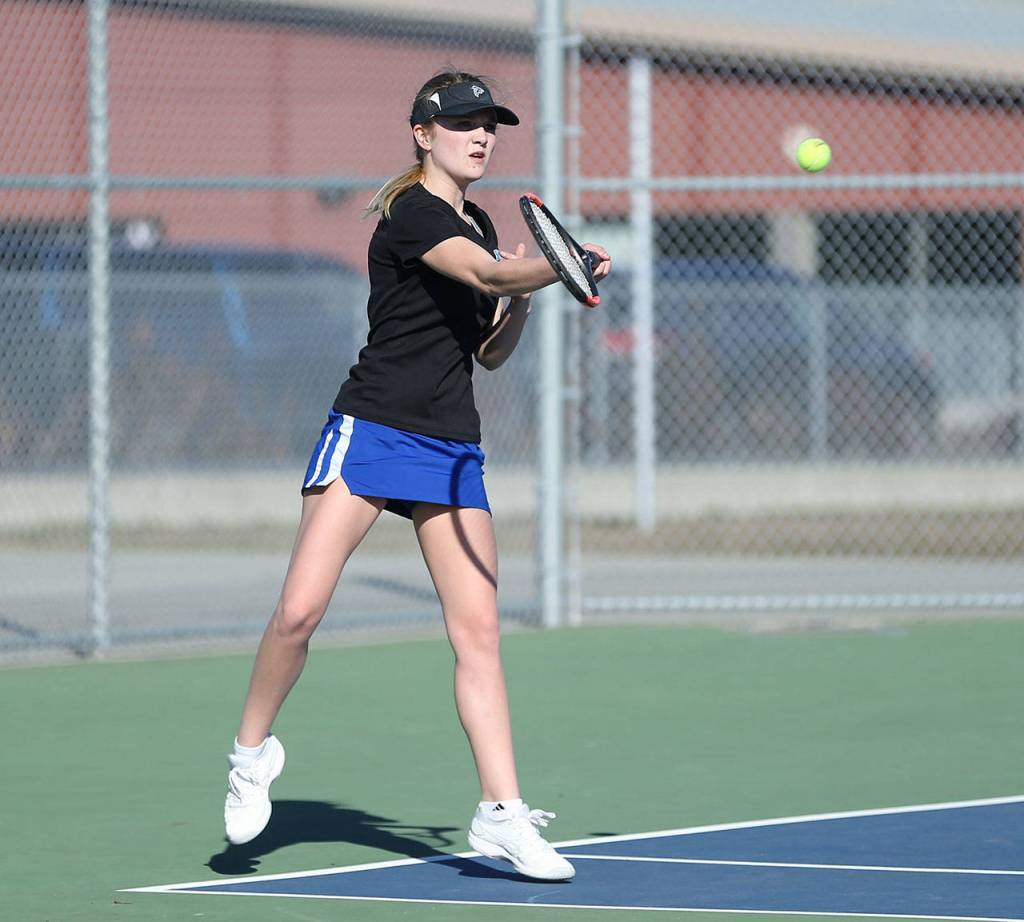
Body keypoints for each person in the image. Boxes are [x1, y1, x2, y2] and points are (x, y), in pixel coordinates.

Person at [222, 69, 611, 882]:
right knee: (299, 611)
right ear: (422, 134)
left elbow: (488, 352)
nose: (481, 135)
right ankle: (250, 753)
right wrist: (553, 265)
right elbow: (490, 276)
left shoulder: (474, 219)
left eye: (491, 124)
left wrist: (534, 294)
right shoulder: (412, 213)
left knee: (478, 634)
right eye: (465, 122)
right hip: (372, 430)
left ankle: (500, 814)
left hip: (450, 445)